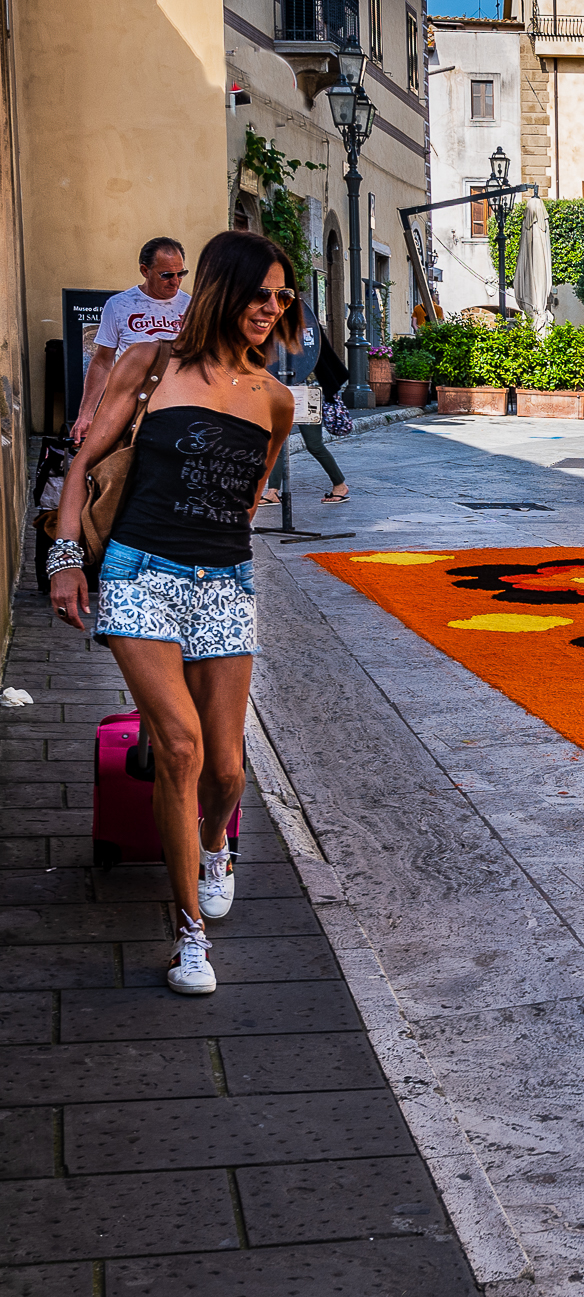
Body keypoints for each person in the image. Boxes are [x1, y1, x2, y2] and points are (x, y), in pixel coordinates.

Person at [48, 231, 298, 996]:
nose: (272, 308)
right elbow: (84, 460)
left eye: (283, 297)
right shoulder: (151, 367)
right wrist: (65, 559)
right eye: (261, 294)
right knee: (181, 747)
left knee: (227, 769)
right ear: (225, 289)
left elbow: (250, 496)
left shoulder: (274, 399)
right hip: (137, 575)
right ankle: (190, 934)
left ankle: (215, 843)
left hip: (223, 580)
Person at [71, 238, 191, 445]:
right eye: (166, 275)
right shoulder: (119, 305)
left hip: (175, 409)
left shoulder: (192, 307)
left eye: (180, 274)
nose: (175, 281)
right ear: (145, 271)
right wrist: (86, 415)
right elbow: (102, 362)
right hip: (128, 408)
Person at [261, 298, 350, 506]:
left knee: (314, 444)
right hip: (282, 389)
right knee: (276, 441)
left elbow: (313, 355)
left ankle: (340, 485)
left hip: (307, 391)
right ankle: (273, 490)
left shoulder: (306, 323)